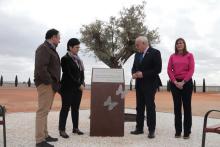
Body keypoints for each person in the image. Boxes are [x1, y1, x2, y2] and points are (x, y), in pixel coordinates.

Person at [130, 36, 162, 138]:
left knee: (150, 107)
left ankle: (151, 130)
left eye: (137, 45)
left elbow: (158, 69)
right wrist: (134, 74)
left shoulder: (155, 52)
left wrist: (143, 74)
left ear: (144, 43)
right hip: (139, 84)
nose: (136, 47)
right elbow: (134, 67)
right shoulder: (137, 54)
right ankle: (139, 128)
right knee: (139, 107)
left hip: (150, 84)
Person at [34, 29, 61, 147]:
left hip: (51, 85)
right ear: (53, 37)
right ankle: (39, 141)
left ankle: (45, 135)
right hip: (46, 84)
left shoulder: (50, 49)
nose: (60, 40)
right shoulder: (43, 48)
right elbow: (41, 68)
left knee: (45, 111)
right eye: (58, 38)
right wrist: (49, 82)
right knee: (42, 111)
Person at [167, 38, 195, 139]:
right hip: (175, 84)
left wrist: (183, 82)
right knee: (177, 107)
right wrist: (175, 81)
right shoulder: (172, 56)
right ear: (176, 45)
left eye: (181, 43)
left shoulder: (189, 55)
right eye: (177, 43)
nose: (179, 44)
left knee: (187, 107)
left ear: (184, 44)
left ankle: (187, 131)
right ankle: (178, 131)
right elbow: (169, 70)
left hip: (186, 83)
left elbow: (191, 70)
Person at [58, 38, 85, 138]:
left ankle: (75, 128)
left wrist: (82, 82)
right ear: (70, 47)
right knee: (65, 108)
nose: (78, 49)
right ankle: (62, 130)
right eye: (77, 47)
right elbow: (68, 75)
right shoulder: (65, 59)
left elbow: (81, 73)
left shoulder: (78, 59)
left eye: (79, 47)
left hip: (78, 89)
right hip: (67, 88)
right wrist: (79, 84)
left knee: (75, 109)